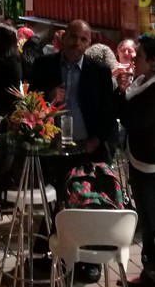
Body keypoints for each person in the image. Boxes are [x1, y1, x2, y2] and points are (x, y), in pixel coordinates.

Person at [28, 18, 117, 284]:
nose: (77, 43)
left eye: (83, 39)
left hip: (86, 146)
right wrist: (47, 96)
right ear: (63, 37)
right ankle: (51, 249)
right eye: (73, 37)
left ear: (89, 43)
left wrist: (97, 140)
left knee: (85, 202)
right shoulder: (44, 65)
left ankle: (88, 259)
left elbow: (108, 112)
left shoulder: (99, 71)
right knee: (55, 199)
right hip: (51, 145)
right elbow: (28, 103)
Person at [115, 35, 155, 272]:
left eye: (138, 56)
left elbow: (132, 120)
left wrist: (121, 95)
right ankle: (149, 273)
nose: (133, 59)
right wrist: (121, 92)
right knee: (146, 221)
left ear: (154, 61)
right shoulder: (142, 81)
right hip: (139, 160)